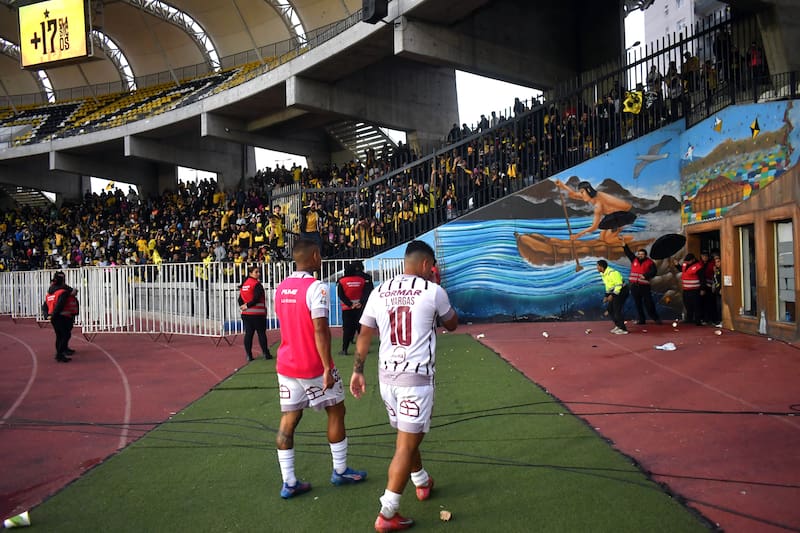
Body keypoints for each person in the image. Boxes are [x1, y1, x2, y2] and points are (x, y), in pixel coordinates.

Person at [350, 240, 458, 532]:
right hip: (416, 381)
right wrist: (436, 290)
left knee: (407, 438)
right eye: (431, 266)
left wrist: (357, 371)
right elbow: (453, 324)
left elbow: (364, 334)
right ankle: (388, 512)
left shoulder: (379, 291)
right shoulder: (433, 291)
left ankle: (421, 481)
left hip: (387, 380)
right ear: (425, 265)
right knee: (405, 444)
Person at [273, 238, 366, 499]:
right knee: (337, 411)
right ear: (314, 256)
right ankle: (340, 470)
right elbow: (320, 329)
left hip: (286, 365)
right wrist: (327, 367)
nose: (322, 259)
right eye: (321, 254)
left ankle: (289, 482)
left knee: (289, 420)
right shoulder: (317, 288)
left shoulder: (281, 288)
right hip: (312, 364)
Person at [554, 179, 633, 243]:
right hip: (612, 216)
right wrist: (562, 185)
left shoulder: (598, 205)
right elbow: (573, 194)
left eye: (582, 192)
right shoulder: (591, 196)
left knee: (608, 240)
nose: (581, 194)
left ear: (588, 190)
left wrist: (577, 235)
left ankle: (632, 238)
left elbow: (594, 227)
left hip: (622, 215)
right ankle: (618, 235)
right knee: (602, 238)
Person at [621, 240, 661, 325]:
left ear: (645, 255)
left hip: (644, 287)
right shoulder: (634, 260)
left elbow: (654, 271)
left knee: (649, 304)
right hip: (634, 286)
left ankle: (656, 318)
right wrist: (625, 245)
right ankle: (641, 320)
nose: (640, 256)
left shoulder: (650, 262)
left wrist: (646, 276)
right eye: (639, 254)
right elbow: (628, 253)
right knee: (638, 304)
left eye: (642, 254)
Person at [43, 271, 79, 362]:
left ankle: (61, 352)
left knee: (60, 335)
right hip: (62, 316)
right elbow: (60, 305)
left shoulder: (50, 292)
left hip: (56, 316)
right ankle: (60, 354)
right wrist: (53, 315)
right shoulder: (62, 291)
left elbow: (45, 305)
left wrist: (47, 315)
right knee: (65, 335)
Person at [238, 265, 271, 362]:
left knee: (249, 334)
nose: (258, 274)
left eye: (258, 272)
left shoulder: (244, 285)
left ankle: (249, 355)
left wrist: (244, 306)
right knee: (261, 334)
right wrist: (248, 305)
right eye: (256, 272)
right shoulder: (256, 284)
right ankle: (266, 353)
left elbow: (240, 299)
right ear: (250, 273)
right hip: (258, 314)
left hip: (246, 315)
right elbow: (256, 298)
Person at [336, 261, 371, 355]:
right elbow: (366, 293)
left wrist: (350, 304)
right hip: (359, 308)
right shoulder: (362, 280)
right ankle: (364, 349)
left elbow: (341, 295)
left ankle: (344, 350)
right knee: (360, 329)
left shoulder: (342, 281)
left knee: (347, 329)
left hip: (347, 309)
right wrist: (360, 303)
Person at [597, 259, 629, 334]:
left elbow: (619, 285)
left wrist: (613, 295)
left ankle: (623, 329)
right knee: (610, 309)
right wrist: (606, 295)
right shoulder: (603, 273)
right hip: (615, 292)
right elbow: (608, 286)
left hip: (622, 291)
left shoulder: (613, 273)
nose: (597, 268)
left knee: (616, 309)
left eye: (597, 266)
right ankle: (618, 326)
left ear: (601, 267)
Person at [679, 253, 704, 325]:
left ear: (693, 260)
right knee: (687, 305)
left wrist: (702, 289)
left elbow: (702, 278)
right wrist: (677, 265)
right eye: (686, 261)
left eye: (688, 261)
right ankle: (689, 319)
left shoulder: (698, 267)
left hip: (695, 290)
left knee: (696, 306)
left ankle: (698, 320)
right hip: (686, 289)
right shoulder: (685, 264)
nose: (687, 262)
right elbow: (682, 270)